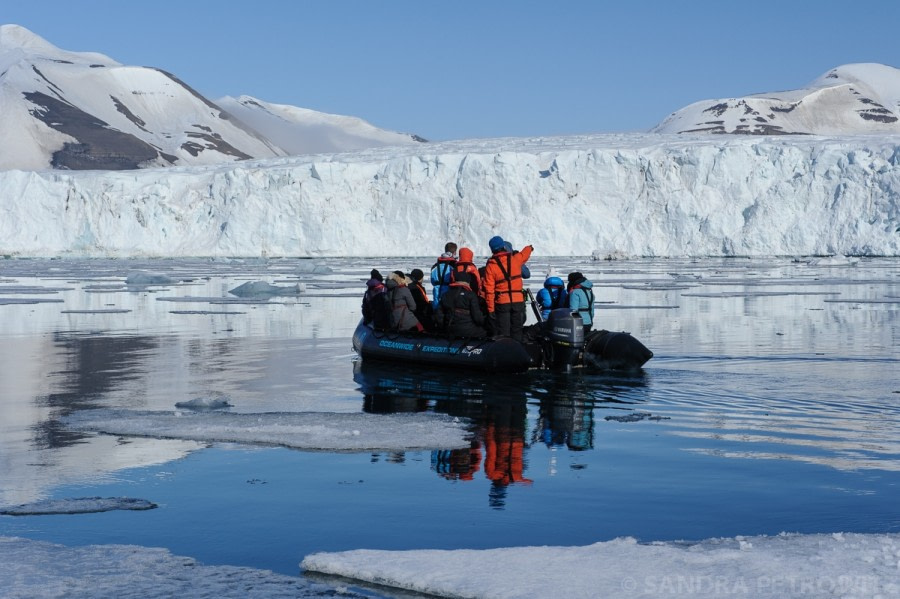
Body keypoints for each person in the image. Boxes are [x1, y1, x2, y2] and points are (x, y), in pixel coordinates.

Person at [482, 235, 533, 342]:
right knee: (517, 330)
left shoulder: (491, 266)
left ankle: (505, 354)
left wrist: (491, 309)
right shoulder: (515, 259)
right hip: (518, 301)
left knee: (504, 332)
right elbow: (524, 254)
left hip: (502, 302)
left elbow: (489, 290)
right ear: (504, 247)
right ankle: (517, 353)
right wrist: (530, 248)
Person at [438, 271, 487, 338]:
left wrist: (443, 327)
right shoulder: (471, 295)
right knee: (486, 332)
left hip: (450, 329)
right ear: (467, 282)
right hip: (468, 330)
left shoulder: (445, 294)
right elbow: (477, 318)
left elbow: (439, 315)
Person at [430, 242, 458, 308]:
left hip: (437, 292)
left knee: (437, 309)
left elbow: (432, 280)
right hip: (449, 292)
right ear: (454, 253)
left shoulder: (435, 266)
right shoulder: (454, 265)